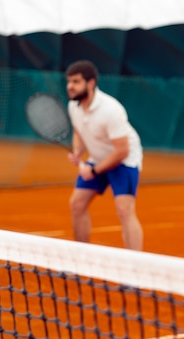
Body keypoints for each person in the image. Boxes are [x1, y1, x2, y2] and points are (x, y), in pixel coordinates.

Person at [65, 60, 143, 250]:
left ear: (90, 83)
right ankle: (83, 256)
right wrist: (78, 151)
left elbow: (122, 150)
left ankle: (136, 266)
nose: (70, 87)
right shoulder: (74, 106)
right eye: (69, 82)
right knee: (76, 204)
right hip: (99, 158)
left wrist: (94, 170)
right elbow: (79, 131)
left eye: (76, 82)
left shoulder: (111, 110)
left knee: (124, 210)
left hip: (125, 159)